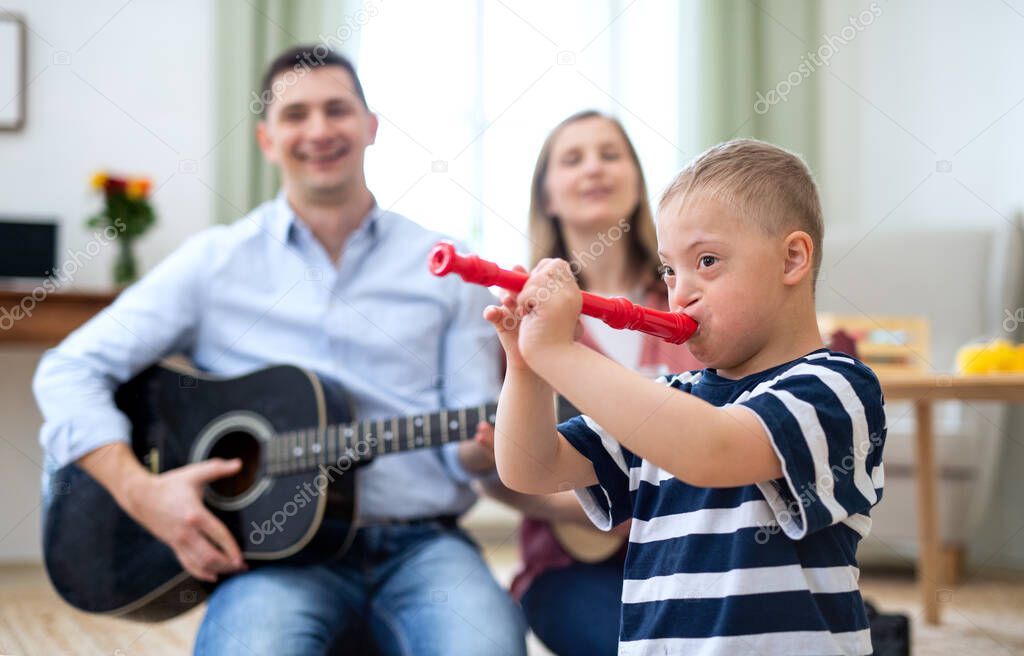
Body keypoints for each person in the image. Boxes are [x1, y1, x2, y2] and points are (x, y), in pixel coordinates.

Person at [33, 46, 525, 656]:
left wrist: (485, 452)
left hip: (423, 546)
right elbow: (67, 369)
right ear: (267, 139)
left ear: (371, 128)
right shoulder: (214, 263)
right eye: (296, 115)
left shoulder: (449, 265)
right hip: (272, 560)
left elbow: (468, 454)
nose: (318, 130)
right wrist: (140, 490)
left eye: (336, 109)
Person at [484, 138, 887, 655]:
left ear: (791, 258)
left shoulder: (835, 387)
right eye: (671, 269)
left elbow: (710, 451)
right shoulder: (666, 397)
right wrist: (526, 366)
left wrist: (560, 352)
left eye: (709, 261)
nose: (680, 293)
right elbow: (530, 469)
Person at [477, 110, 700, 656]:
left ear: (637, 180)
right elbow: (511, 474)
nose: (594, 168)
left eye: (609, 153)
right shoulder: (519, 317)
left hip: (700, 550)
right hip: (573, 567)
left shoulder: (691, 297)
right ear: (547, 195)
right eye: (572, 159)